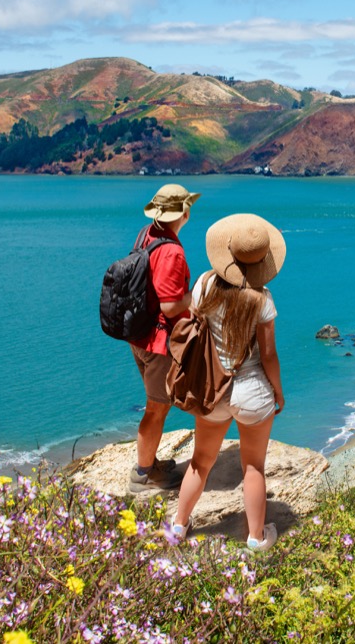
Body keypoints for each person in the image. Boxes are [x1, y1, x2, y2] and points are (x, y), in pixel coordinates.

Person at [171, 213, 286, 551]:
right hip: (253, 393)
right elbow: (268, 357)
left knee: (200, 461)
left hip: (213, 389)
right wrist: (278, 393)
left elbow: (196, 327)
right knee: (253, 466)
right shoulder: (262, 300)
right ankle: (256, 538)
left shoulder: (205, 285)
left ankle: (179, 527)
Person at [128, 183, 201, 494]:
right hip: (159, 344)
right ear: (184, 212)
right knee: (157, 408)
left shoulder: (147, 234)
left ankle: (151, 461)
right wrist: (194, 296)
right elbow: (171, 306)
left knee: (155, 404)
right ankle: (142, 475)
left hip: (139, 334)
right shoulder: (171, 250)